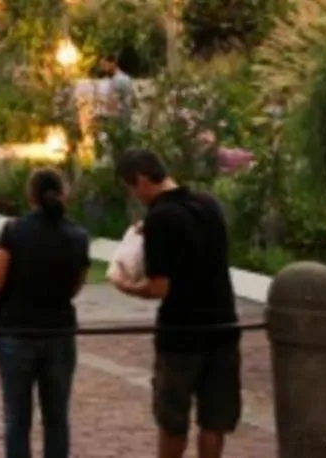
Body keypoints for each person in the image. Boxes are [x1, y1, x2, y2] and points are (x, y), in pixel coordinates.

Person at [114, 148, 241, 458]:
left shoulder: (160, 218)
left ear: (142, 179)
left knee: (173, 420)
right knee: (215, 420)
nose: (134, 195)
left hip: (182, 335)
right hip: (223, 326)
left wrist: (124, 285)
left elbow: (158, 288)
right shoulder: (208, 204)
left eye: (131, 187)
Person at [0, 167, 91, 458]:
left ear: (30, 196)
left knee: (17, 418)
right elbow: (75, 286)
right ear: (62, 194)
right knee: (57, 418)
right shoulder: (78, 236)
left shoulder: (14, 231)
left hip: (17, 332)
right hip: (59, 331)